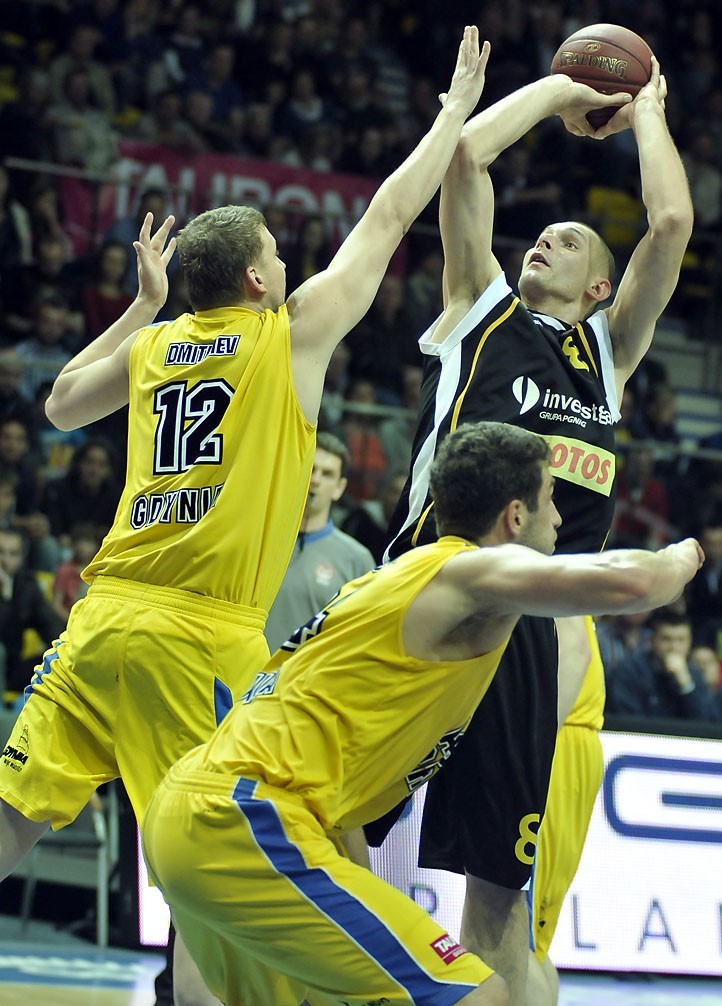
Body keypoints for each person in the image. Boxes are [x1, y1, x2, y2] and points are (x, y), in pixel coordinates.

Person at [0, 27, 490, 1006]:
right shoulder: (288, 335)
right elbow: (390, 215)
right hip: (197, 633)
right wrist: (448, 114)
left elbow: (55, 402)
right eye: (278, 254)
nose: (287, 263)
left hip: (100, 619)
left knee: (13, 813)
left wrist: (141, 308)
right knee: (214, 863)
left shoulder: (158, 347)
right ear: (262, 281)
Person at [141, 421, 703, 1006]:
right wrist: (684, 555)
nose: (560, 519)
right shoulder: (465, 571)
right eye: (551, 500)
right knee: (481, 997)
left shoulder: (402, 580)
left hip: (211, 812)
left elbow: (335, 789)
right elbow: (634, 582)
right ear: (515, 516)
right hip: (242, 815)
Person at [365, 55, 693, 1006]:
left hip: (526, 637)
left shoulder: (608, 352)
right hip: (428, 591)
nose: (543, 243)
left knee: (498, 914)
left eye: (569, 242)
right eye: (539, 236)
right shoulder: (480, 309)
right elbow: (468, 157)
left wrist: (649, 112)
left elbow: (669, 224)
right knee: (328, 823)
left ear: (601, 288)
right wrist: (564, 91)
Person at [264, 432, 374, 653]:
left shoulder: (357, 559)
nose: (315, 480)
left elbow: (359, 639)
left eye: (327, 474)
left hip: (305, 684)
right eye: (311, 469)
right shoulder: (259, 540)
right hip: (244, 679)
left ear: (339, 488)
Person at [605, 609, 720, 722]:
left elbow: (706, 723)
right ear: (652, 640)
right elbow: (625, 720)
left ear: (690, 642)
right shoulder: (629, 671)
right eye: (666, 639)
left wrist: (686, 685)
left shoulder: (694, 675)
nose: (673, 647)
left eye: (681, 640)